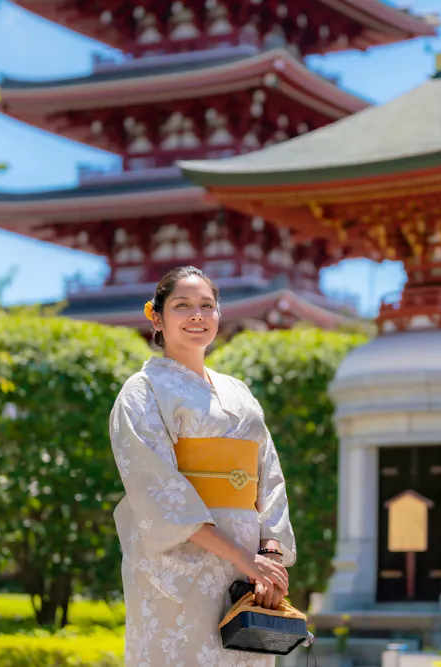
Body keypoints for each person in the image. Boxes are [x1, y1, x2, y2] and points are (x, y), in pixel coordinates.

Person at [109, 266, 296, 667]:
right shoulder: (143, 391)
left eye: (206, 305)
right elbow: (156, 488)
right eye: (182, 305)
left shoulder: (239, 392)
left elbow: (269, 477)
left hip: (250, 570)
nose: (197, 315)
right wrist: (248, 560)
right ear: (156, 317)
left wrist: (270, 557)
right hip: (178, 565)